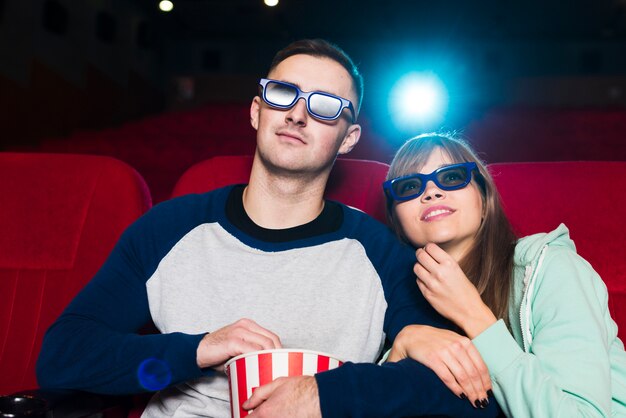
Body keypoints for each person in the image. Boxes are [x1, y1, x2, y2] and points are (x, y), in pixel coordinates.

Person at [36, 40, 500, 417]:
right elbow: (62, 358)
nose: (298, 114)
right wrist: (197, 350)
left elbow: (461, 395)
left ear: (349, 139)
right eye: (284, 94)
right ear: (258, 110)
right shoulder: (167, 229)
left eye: (325, 106)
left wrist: (322, 396)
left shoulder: (378, 252)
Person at [382, 132, 626, 416]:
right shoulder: (396, 296)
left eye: (451, 177)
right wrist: (401, 346)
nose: (431, 192)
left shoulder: (551, 268)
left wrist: (472, 314)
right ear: (396, 220)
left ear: (485, 201)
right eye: (409, 186)